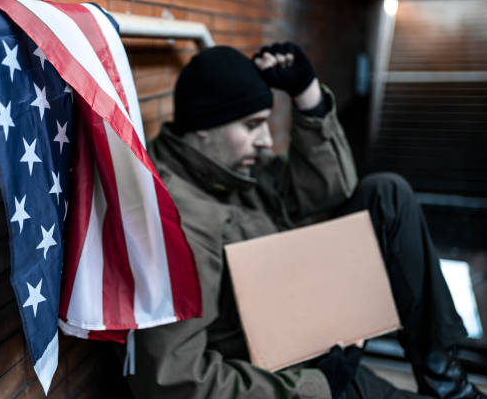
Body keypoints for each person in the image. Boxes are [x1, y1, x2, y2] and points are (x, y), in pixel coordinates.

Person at [123, 43, 485, 399]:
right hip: (280, 381)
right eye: (252, 126)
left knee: (386, 195)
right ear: (204, 126)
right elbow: (173, 380)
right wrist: (317, 386)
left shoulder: (231, 170)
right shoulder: (173, 222)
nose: (265, 140)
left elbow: (331, 190)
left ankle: (446, 383)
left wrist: (308, 97)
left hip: (307, 343)